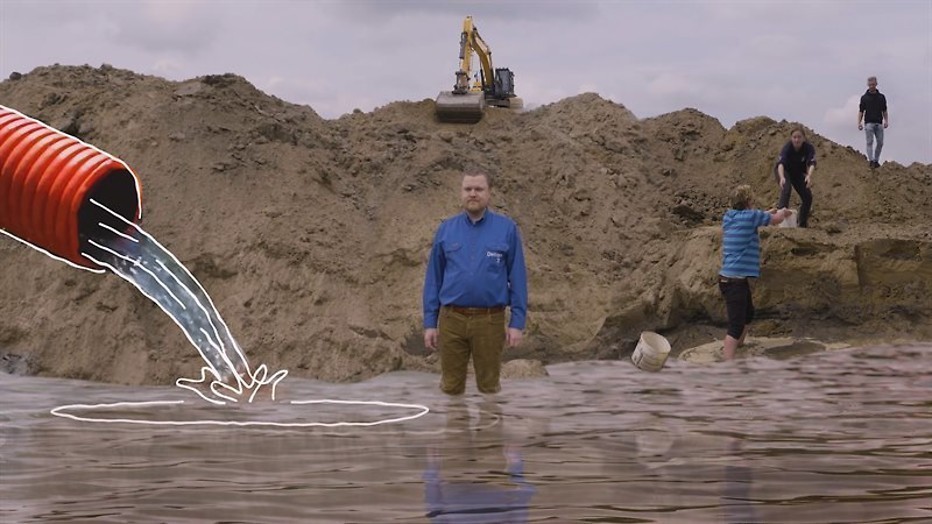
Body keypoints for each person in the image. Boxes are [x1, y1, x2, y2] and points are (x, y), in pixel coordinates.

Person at [423, 171, 528, 395]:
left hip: (489, 320)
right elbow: (434, 279)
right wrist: (430, 323)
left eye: (479, 189)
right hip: (451, 320)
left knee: (489, 389)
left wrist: (517, 323)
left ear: (489, 193)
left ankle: (490, 419)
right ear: (461, 193)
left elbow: (518, 278)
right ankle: (454, 419)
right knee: (451, 388)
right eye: (468, 189)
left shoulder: (507, 229)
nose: (473, 194)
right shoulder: (446, 230)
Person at [719, 184, 789, 360]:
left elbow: (753, 218)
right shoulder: (751, 217)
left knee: (748, 314)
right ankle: (728, 364)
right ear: (749, 201)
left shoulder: (730, 217)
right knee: (735, 326)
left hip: (730, 280)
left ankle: (739, 345)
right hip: (734, 282)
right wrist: (783, 212)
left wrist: (766, 213)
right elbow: (777, 220)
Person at [776, 127, 816, 228]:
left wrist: (809, 176)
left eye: (799, 137)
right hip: (784, 171)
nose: (797, 140)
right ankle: (781, 221)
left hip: (797, 173)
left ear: (804, 138)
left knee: (807, 196)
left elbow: (812, 163)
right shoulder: (787, 148)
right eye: (794, 137)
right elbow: (781, 164)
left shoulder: (808, 148)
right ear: (791, 138)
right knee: (786, 189)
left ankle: (802, 223)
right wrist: (782, 177)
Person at [857, 76, 889, 169]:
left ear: (876, 84)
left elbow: (884, 110)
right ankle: (871, 161)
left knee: (880, 143)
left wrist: (886, 121)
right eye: (870, 85)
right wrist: (859, 123)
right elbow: (861, 111)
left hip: (879, 123)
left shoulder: (881, 97)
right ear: (868, 85)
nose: (872, 86)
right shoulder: (864, 98)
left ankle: (876, 160)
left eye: (873, 84)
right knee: (869, 142)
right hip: (868, 123)